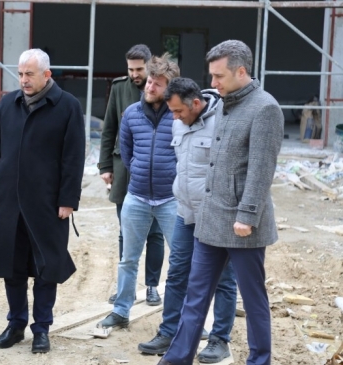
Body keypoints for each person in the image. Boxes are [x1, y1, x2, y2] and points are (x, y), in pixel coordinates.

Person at [158, 40, 284, 365]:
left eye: (218, 76)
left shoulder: (265, 108)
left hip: (243, 226)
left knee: (253, 299)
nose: (212, 83)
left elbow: (261, 169)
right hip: (210, 219)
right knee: (196, 295)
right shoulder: (226, 102)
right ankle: (177, 358)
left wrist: (248, 215)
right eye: (211, 76)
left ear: (241, 72)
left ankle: (259, 360)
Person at [0, 48, 85, 354]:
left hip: (47, 205)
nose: (23, 80)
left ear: (46, 75)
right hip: (8, 202)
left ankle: (41, 329)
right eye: (20, 74)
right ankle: (15, 324)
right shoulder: (8, 104)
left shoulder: (67, 106)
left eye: (29, 74)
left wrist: (68, 200)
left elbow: (74, 157)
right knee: (11, 267)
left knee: (45, 268)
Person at [138, 78, 237, 363]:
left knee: (223, 278)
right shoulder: (178, 123)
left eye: (179, 111)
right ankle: (170, 332)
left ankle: (219, 340)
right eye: (172, 111)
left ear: (195, 103)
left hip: (216, 214)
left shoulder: (224, 120)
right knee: (178, 272)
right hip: (184, 213)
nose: (174, 117)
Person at [98, 53, 179, 330]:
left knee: (182, 260)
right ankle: (121, 311)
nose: (149, 87)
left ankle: (185, 318)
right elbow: (127, 153)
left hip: (171, 200)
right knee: (128, 259)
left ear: (169, 87)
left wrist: (169, 176)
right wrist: (142, 173)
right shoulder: (131, 114)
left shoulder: (179, 116)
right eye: (149, 82)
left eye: (157, 84)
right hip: (136, 197)